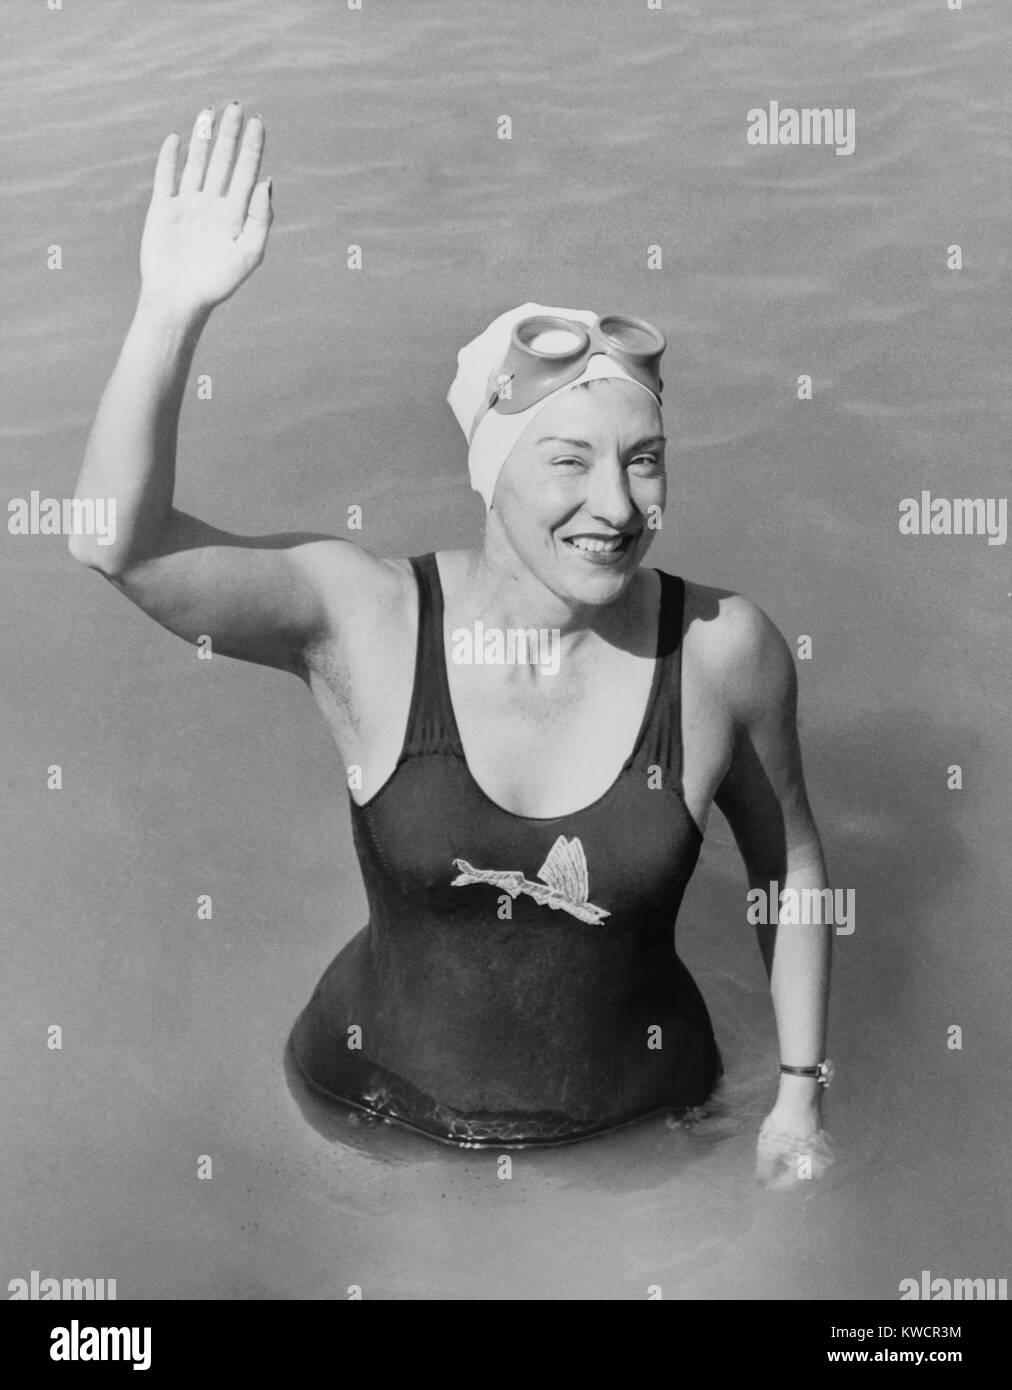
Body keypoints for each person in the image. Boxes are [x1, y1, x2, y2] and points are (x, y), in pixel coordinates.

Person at [70, 104, 834, 1184]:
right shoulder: (367, 618)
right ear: (490, 470)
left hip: (647, 1135)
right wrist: (167, 312)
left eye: (645, 459)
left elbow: (790, 863)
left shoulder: (720, 649)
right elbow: (118, 546)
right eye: (568, 460)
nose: (615, 504)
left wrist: (798, 1092)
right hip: (367, 1126)